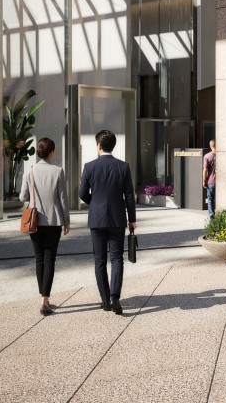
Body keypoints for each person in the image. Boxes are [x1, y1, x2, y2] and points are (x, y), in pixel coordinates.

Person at [78, 129, 136, 315]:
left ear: (99, 146)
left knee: (99, 261)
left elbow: (81, 194)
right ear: (113, 146)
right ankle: (115, 297)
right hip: (118, 218)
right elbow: (129, 196)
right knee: (117, 258)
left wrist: (93, 203)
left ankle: (105, 301)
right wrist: (132, 219)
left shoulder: (89, 167)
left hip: (96, 218)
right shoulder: (123, 167)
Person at [20, 136, 69, 316]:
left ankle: (43, 297)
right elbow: (63, 200)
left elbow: (22, 197)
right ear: (52, 152)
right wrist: (66, 222)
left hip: (35, 222)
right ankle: (45, 300)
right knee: (50, 260)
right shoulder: (58, 171)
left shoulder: (30, 171)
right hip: (54, 222)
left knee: (39, 259)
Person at [202, 139, 217, 217]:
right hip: (220, 182)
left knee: (210, 199)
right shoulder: (222, 155)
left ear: (210, 146)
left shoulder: (207, 156)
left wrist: (204, 181)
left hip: (211, 181)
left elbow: (205, 170)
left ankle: (212, 216)